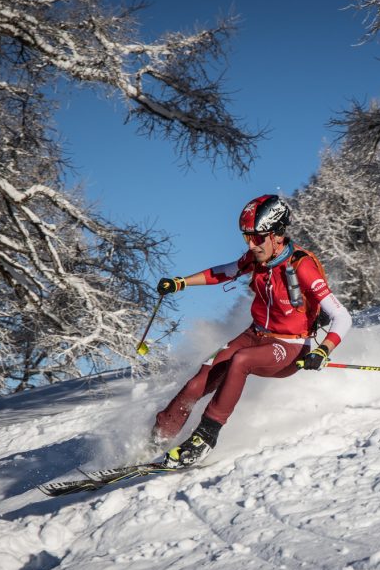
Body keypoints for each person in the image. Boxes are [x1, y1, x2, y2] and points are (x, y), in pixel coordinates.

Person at [150, 194, 352, 468]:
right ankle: (159, 437)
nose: (252, 245)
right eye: (247, 238)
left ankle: (205, 438)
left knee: (240, 360)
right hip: (255, 334)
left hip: (291, 345)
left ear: (277, 235)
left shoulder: (301, 266)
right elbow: (224, 272)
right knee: (201, 378)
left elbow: (342, 316)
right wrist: (180, 283)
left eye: (258, 237)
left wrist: (322, 350)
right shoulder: (257, 258)